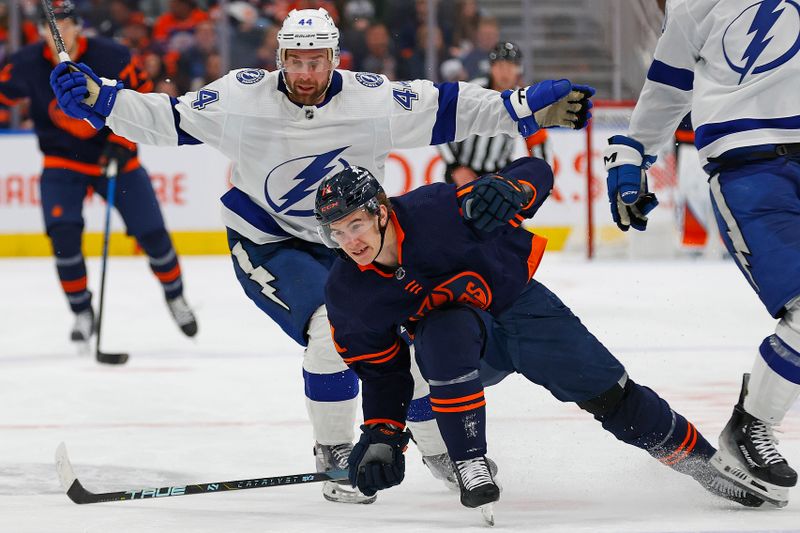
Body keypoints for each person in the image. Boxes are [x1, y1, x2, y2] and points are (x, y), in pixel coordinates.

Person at [49, 6, 593, 504]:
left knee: (415, 343)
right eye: (294, 61)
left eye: (316, 61)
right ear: (279, 57)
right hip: (270, 240)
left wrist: (521, 107)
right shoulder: (241, 97)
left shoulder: (372, 99)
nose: (305, 74)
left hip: (355, 243)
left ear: (336, 58)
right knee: (330, 330)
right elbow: (167, 118)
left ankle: (440, 449)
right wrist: (102, 101)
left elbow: (447, 106)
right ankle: (333, 455)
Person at [315, 160, 769, 521]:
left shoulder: (437, 210)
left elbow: (537, 170)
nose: (349, 242)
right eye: (336, 233)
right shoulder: (349, 292)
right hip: (469, 346)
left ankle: (702, 464)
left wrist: (514, 189)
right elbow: (382, 372)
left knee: (614, 398)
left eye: (355, 224)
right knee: (442, 329)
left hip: (524, 310)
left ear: (381, 210)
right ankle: (469, 461)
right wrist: (383, 433)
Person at [602, 0, 800, 507]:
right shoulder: (697, 3)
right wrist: (632, 152)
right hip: (751, 172)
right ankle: (750, 429)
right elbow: (668, 86)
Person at [0, 0, 197, 344]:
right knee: (63, 238)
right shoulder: (25, 64)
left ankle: (176, 295)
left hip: (118, 159)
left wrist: (123, 142)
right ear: (42, 31)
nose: (59, 32)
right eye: (51, 26)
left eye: (65, 24)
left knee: (152, 234)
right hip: (62, 162)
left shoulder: (112, 56)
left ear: (78, 27)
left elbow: (145, 97)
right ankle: (81, 311)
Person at [437, 41, 551, 187]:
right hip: (462, 170)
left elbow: (539, 144)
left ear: (518, 70)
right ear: (491, 67)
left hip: (499, 175)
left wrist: (536, 181)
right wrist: (455, 166)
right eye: (500, 66)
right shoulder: (472, 91)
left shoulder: (524, 102)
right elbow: (440, 122)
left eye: (511, 66)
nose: (505, 72)